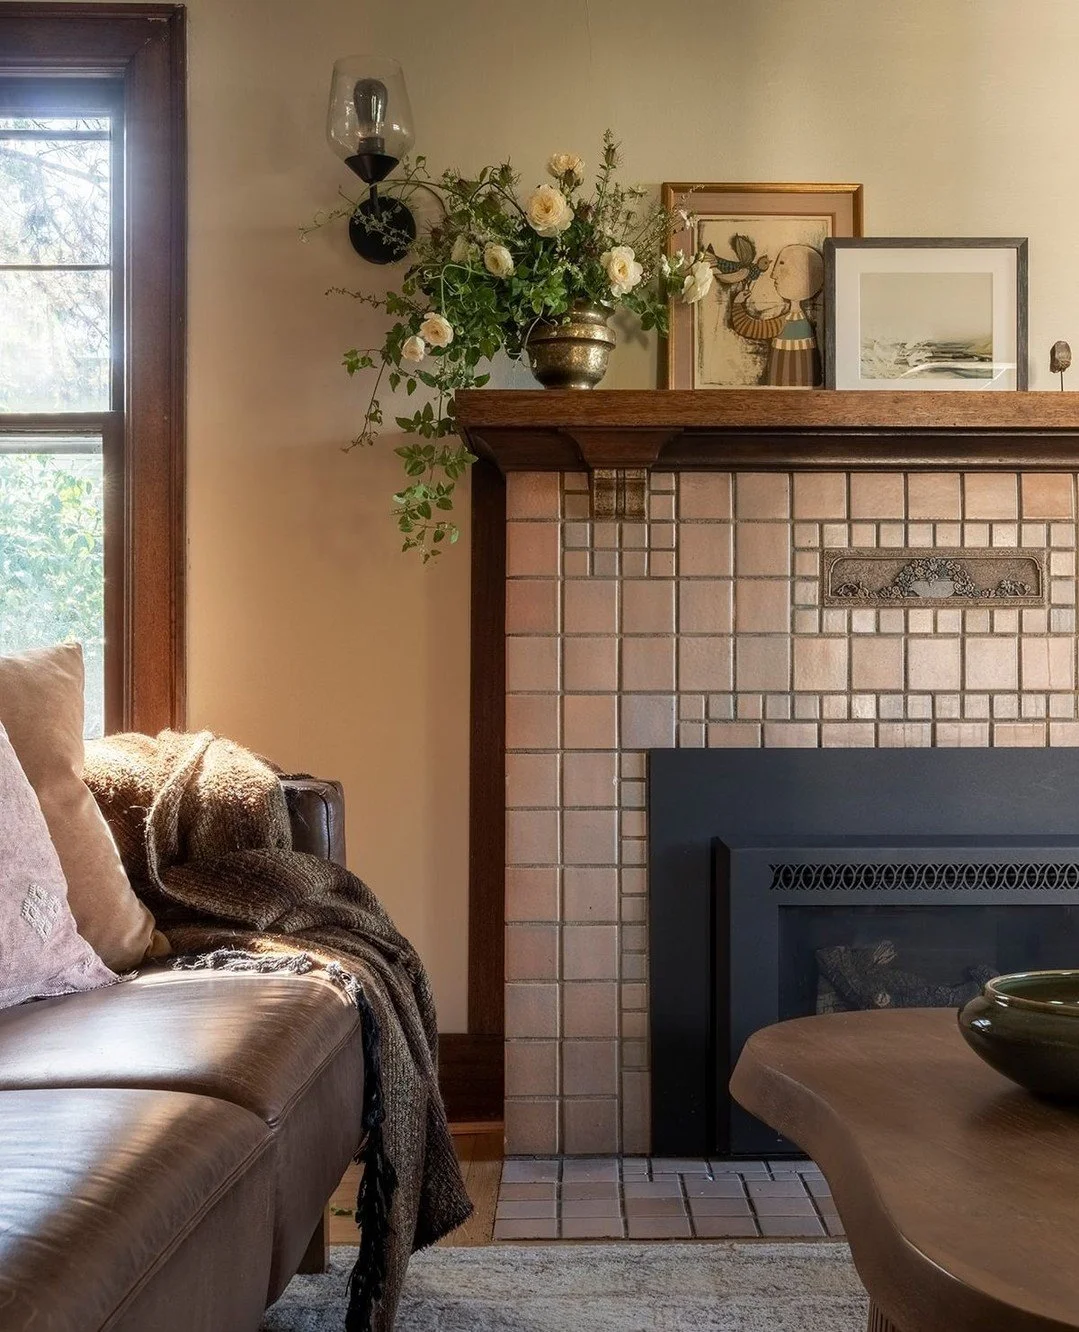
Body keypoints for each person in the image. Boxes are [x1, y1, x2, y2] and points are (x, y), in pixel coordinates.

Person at [727, 242, 824, 387]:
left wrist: (737, 305)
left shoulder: (785, 323)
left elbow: (748, 327)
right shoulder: (808, 325)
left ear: (800, 276)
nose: (773, 275)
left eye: (782, 264)